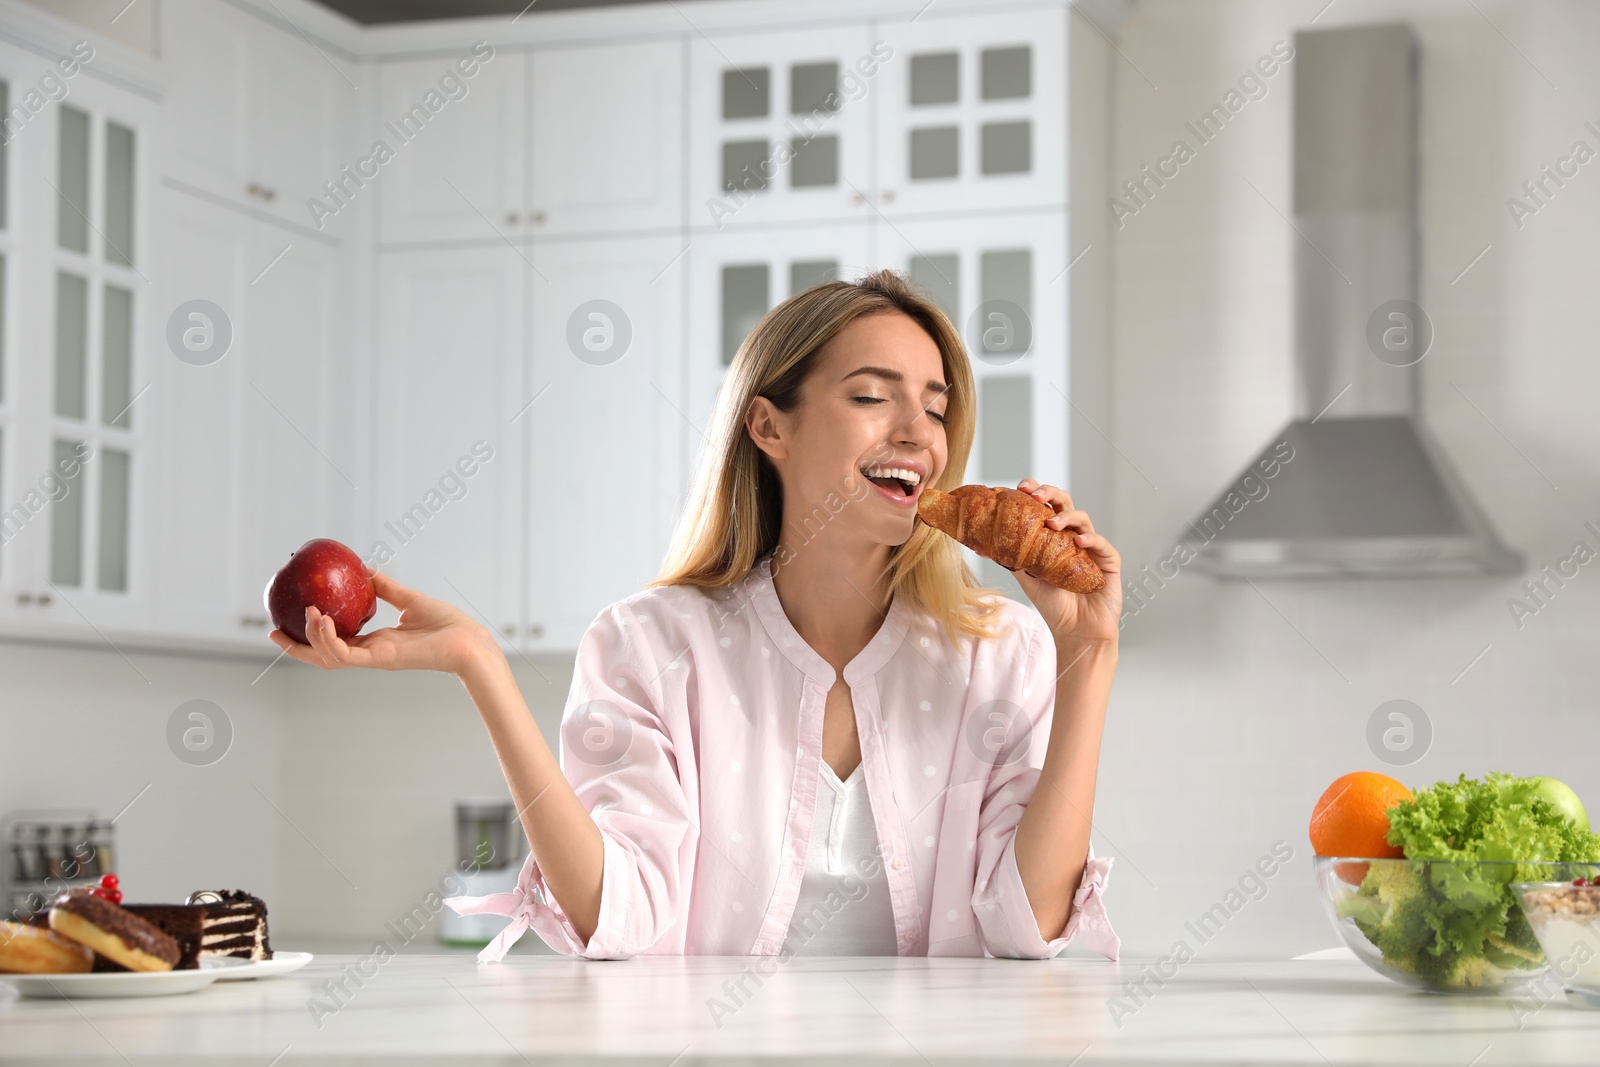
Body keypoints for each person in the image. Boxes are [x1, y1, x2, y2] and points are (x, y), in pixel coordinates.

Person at [270, 269, 1122, 962]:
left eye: (936, 407)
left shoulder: (998, 651)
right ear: (768, 426)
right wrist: (480, 665)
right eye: (873, 396)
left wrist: (1089, 656)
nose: (918, 431)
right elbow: (617, 917)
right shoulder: (649, 644)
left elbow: (1024, 925)